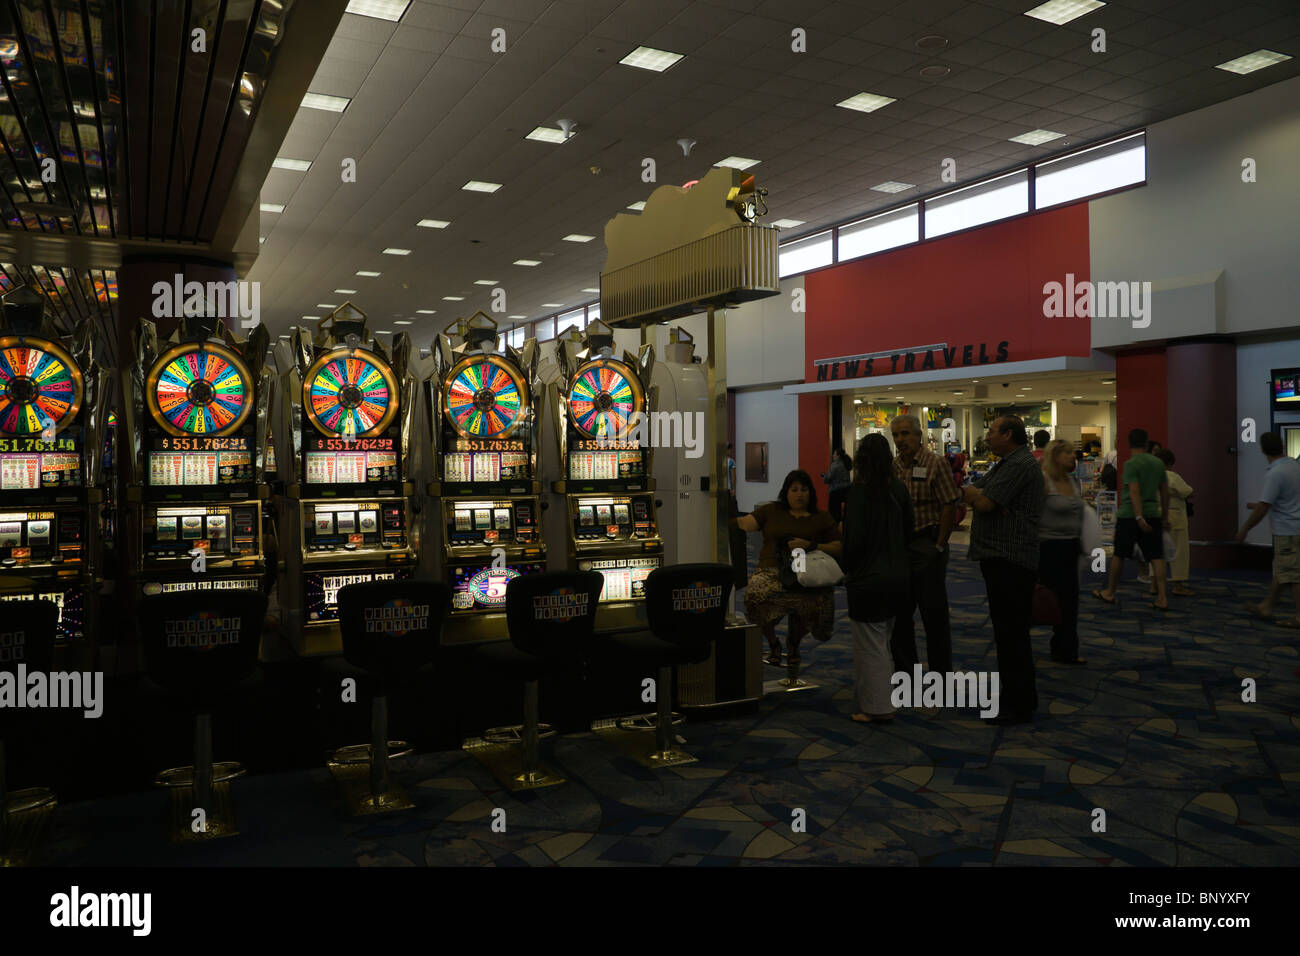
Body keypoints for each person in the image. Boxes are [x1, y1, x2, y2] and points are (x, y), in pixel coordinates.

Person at [962, 415, 1044, 725]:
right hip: (1001, 557)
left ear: (1008, 435)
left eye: (992, 431)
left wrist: (982, 498)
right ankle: (1016, 698)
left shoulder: (1020, 465)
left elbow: (983, 502)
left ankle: (1018, 704)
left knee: (1012, 635)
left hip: (1011, 559)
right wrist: (981, 497)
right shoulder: (1007, 463)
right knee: (1007, 633)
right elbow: (976, 492)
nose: (988, 435)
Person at [736, 470, 843, 665]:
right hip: (771, 568)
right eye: (794, 490)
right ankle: (773, 643)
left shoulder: (821, 517)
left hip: (806, 570)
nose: (799, 494)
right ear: (786, 492)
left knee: (817, 599)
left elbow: (838, 547)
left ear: (811, 493)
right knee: (755, 597)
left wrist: (810, 545)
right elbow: (743, 523)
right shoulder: (771, 511)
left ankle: (794, 641)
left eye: (804, 489)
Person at [842, 434, 912, 724]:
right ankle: (881, 698)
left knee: (870, 647)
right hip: (898, 576)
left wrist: (848, 568)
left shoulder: (859, 493)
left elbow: (854, 541)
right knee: (884, 642)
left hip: (868, 579)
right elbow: (909, 530)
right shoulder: (898, 488)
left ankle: (878, 706)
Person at [889, 414, 960, 673]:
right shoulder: (893, 467)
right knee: (900, 616)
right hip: (900, 549)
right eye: (896, 435)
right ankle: (906, 672)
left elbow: (949, 504)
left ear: (919, 435)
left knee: (934, 616)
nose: (900, 440)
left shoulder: (935, 463)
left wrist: (939, 546)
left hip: (928, 544)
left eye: (905, 434)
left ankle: (941, 674)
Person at [1093, 428, 1169, 610]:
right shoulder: (1158, 464)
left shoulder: (1130, 464)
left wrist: (1138, 515)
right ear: (1146, 442)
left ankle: (1110, 592)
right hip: (1153, 513)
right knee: (1156, 556)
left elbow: (1134, 490)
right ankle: (1162, 597)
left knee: (1120, 554)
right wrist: (1164, 516)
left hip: (1129, 515)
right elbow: (1165, 492)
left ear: (1128, 443)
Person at [1237, 431, 1300, 627]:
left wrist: (1245, 529)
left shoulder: (1275, 474)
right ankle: (1267, 605)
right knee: (1283, 570)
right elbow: (1284, 499)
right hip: (1296, 528)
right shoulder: (1294, 466)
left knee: (1293, 574)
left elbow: (1264, 507)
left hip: (1287, 530)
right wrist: (1257, 505)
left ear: (1263, 449)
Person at [1038, 439, 1085, 665]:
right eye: (1068, 454)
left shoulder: (1072, 480)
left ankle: (1066, 649)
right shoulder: (1043, 480)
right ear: (1056, 456)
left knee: (1070, 601)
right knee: (1044, 598)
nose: (1072, 458)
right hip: (1048, 547)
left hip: (1071, 546)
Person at [1156, 448, 1194, 596]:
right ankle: (1178, 585)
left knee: (1157, 551)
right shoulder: (1173, 476)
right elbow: (1189, 492)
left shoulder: (1152, 476)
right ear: (1170, 463)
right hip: (1175, 515)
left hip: (1157, 514)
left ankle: (1154, 584)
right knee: (1179, 552)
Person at [822, 448, 852, 523]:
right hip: (846, 490)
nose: (833, 455)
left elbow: (828, 478)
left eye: (834, 454)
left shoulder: (835, 465)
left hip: (836, 491)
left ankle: (835, 529)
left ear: (838, 455)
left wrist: (824, 476)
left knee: (834, 513)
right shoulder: (845, 464)